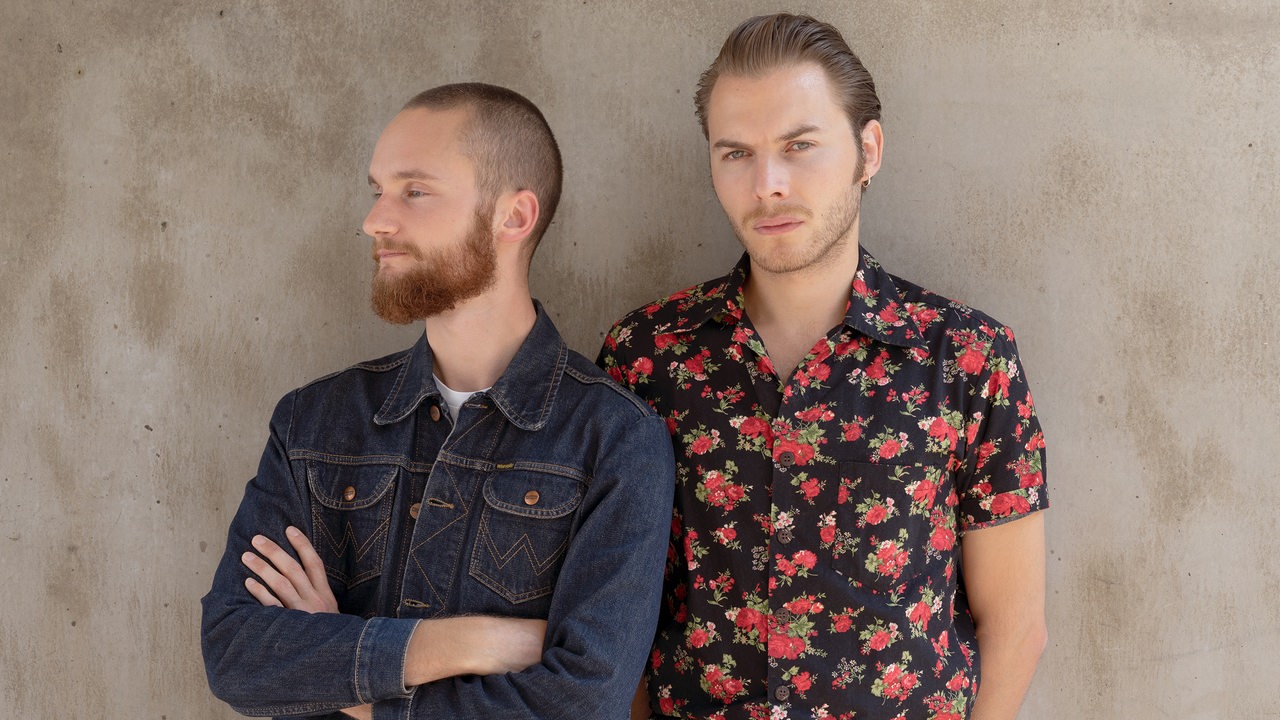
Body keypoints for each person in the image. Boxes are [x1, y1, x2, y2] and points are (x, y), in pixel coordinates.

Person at [599, 14, 1048, 720]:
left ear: (869, 150)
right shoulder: (647, 354)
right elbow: (613, 613)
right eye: (735, 153)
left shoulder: (967, 357)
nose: (767, 183)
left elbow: (1016, 627)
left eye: (799, 146)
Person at [202, 82, 675, 720]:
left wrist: (350, 678)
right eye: (377, 190)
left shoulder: (614, 439)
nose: (376, 220)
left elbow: (582, 702)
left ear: (514, 216)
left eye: (415, 191)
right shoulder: (315, 424)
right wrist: (463, 643)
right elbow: (236, 654)